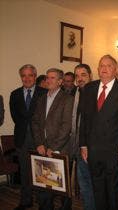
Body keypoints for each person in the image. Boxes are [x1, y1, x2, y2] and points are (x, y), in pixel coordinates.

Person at [79, 54, 118, 210]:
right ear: (97, 69)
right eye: (101, 65)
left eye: (109, 66)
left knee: (114, 191)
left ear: (116, 70)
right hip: (93, 150)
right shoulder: (89, 88)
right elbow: (84, 119)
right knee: (98, 190)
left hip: (114, 150)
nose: (104, 69)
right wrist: (83, 144)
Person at [32, 68, 73, 210]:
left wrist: (54, 147)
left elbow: (66, 126)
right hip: (42, 149)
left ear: (60, 82)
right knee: (44, 185)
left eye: (52, 78)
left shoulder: (67, 99)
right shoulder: (42, 99)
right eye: (47, 78)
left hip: (59, 149)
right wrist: (39, 144)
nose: (48, 80)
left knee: (61, 188)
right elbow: (36, 122)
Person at [9, 64, 47, 210]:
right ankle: (26, 201)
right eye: (23, 75)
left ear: (35, 76)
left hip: (40, 140)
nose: (27, 78)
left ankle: (43, 202)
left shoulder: (44, 92)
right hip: (22, 138)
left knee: (41, 172)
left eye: (30, 75)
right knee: (25, 172)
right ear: (21, 77)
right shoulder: (15, 94)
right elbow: (15, 117)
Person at [71, 64, 95, 210]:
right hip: (79, 146)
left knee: (93, 185)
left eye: (83, 75)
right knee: (84, 186)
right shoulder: (77, 93)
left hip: (92, 148)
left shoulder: (96, 93)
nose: (80, 78)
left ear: (91, 75)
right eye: (77, 76)